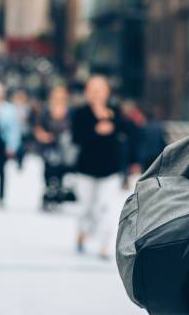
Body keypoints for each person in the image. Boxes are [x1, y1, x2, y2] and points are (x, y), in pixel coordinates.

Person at [71, 75, 128, 258]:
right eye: (92, 89)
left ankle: (105, 244)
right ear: (87, 92)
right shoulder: (80, 113)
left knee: (104, 206)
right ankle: (82, 234)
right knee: (86, 207)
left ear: (107, 92)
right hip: (86, 168)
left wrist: (110, 125)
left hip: (109, 168)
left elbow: (125, 133)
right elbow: (76, 138)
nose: (96, 93)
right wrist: (95, 131)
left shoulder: (115, 111)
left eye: (100, 88)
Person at [33, 86, 75, 208]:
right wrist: (44, 136)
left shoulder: (71, 112)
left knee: (62, 171)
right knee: (49, 170)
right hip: (49, 147)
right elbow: (37, 128)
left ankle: (59, 194)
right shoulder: (45, 112)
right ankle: (49, 193)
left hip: (65, 148)